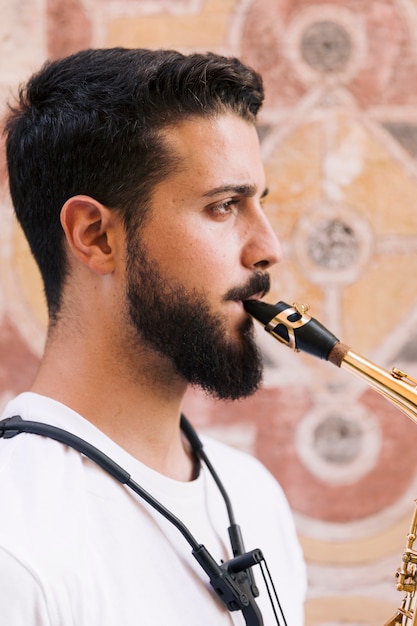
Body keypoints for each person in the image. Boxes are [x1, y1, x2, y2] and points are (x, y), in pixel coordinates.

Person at [0, 48, 307, 625]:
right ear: (96, 237)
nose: (269, 248)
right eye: (223, 206)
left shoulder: (254, 494)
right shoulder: (13, 543)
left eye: (258, 203)